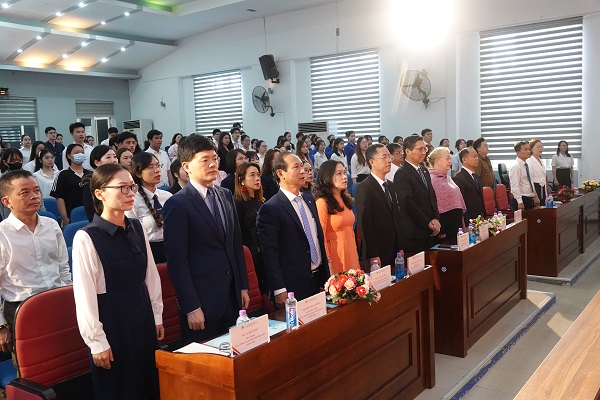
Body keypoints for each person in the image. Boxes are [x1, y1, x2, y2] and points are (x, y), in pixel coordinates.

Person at [72, 164, 163, 400]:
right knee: (119, 389)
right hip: (113, 326)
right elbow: (84, 296)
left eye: (132, 187)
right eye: (122, 188)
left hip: (142, 319)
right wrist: (97, 342)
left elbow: (150, 275)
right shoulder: (87, 237)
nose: (130, 193)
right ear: (100, 193)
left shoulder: (137, 227)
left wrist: (157, 315)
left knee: (149, 385)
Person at [163, 135, 249, 345]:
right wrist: (191, 306)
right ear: (187, 166)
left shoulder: (225, 195)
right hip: (202, 302)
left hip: (232, 296)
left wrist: (242, 286)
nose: (213, 164)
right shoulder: (178, 204)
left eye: (215, 158)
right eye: (205, 160)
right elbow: (177, 262)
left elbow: (235, 245)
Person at [0, 170, 71, 359]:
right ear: (7, 202)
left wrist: (68, 297)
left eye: (37, 190)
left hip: (56, 301)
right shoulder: (3, 234)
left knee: (66, 358)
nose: (34, 196)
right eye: (25, 192)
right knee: (34, 365)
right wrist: (1, 325)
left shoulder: (51, 225)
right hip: (22, 309)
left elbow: (63, 267)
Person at [257, 152, 329, 305]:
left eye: (302, 167)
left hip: (317, 279)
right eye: (296, 167)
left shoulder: (309, 199)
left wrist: (325, 277)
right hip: (292, 285)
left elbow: (317, 238)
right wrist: (279, 289)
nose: (302, 171)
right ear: (280, 173)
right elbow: (270, 253)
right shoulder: (271, 208)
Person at [355, 144, 403, 270]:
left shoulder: (391, 185)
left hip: (394, 249)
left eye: (389, 157)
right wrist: (373, 255)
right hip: (377, 252)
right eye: (384, 157)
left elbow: (396, 218)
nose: (389, 161)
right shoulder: (364, 188)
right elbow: (365, 224)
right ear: (372, 162)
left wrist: (400, 246)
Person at [394, 135, 441, 253]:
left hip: (430, 229)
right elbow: (407, 202)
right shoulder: (402, 173)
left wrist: (436, 218)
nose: (424, 152)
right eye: (420, 149)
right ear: (407, 151)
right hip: (414, 231)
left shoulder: (424, 170)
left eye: (425, 149)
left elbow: (432, 195)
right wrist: (427, 222)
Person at [126, 152, 172, 264]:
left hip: (172, 247)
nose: (157, 170)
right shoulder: (133, 200)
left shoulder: (167, 196)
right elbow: (131, 234)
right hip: (148, 252)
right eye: (150, 167)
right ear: (138, 173)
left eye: (158, 165)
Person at [314, 160, 359, 274]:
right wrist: (328, 262)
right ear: (327, 177)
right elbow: (321, 235)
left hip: (351, 252)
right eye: (339, 173)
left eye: (345, 172)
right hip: (335, 255)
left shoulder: (345, 199)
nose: (345, 177)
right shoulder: (322, 202)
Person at [234, 162, 267, 294]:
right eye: (252, 175)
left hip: (264, 250)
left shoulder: (260, 201)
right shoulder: (237, 203)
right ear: (242, 180)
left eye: (258, 175)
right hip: (251, 255)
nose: (257, 178)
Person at [428, 147, 466, 240]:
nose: (450, 161)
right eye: (447, 158)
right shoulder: (432, 180)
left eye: (450, 158)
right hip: (444, 226)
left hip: (455, 222)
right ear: (437, 161)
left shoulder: (447, 178)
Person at [51, 144, 92, 226]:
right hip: (71, 215)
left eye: (82, 152)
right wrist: (65, 217)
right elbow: (59, 197)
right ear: (69, 156)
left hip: (90, 214)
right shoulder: (63, 174)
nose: (80, 154)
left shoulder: (90, 174)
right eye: (77, 153)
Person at [83, 145, 119, 222]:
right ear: (97, 162)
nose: (114, 160)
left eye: (115, 157)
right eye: (108, 157)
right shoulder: (90, 183)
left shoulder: (121, 179)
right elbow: (91, 213)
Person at [453, 147, 486, 225]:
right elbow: (461, 204)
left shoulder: (476, 176)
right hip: (470, 222)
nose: (477, 159)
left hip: (480, 219)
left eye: (477, 156)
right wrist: (467, 223)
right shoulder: (458, 178)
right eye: (474, 156)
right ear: (464, 160)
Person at [509, 141, 539, 211]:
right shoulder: (515, 167)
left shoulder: (526, 165)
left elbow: (530, 181)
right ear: (518, 152)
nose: (529, 151)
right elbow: (514, 186)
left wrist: (535, 195)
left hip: (529, 198)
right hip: (522, 199)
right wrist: (519, 201)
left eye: (529, 149)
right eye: (525, 149)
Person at [528, 139, 548, 203]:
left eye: (541, 147)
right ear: (531, 149)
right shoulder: (529, 160)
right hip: (535, 188)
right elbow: (530, 179)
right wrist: (535, 195)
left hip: (542, 187)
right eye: (538, 147)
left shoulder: (540, 160)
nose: (540, 148)